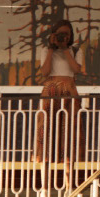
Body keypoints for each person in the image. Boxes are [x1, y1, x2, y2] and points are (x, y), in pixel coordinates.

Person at [34, 19, 83, 167]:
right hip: (51, 90)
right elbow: (45, 72)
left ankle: (69, 183)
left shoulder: (76, 50)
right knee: (46, 130)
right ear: (53, 34)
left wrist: (66, 49)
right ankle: (45, 184)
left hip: (69, 90)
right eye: (60, 34)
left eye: (66, 34)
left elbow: (76, 70)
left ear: (71, 35)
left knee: (70, 131)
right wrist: (51, 48)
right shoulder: (45, 50)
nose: (63, 37)